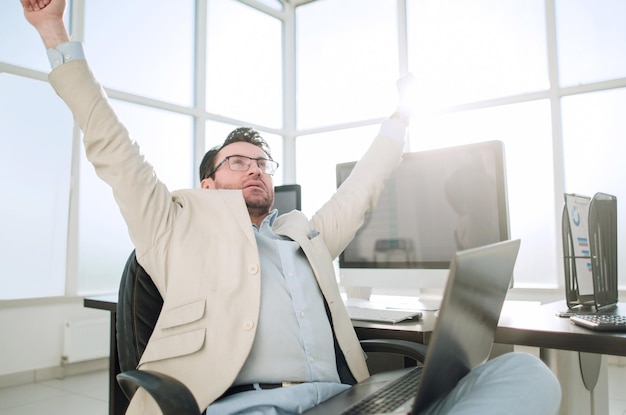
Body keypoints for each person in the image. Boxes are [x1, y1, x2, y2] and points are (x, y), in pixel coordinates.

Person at [21, 1, 561, 414]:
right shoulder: (173, 228)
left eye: (263, 161)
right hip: (249, 406)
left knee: (526, 375)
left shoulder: (304, 233)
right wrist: (55, 34)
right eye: (238, 161)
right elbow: (111, 144)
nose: (256, 168)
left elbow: (365, 185)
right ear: (207, 185)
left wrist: (400, 117)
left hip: (344, 399)